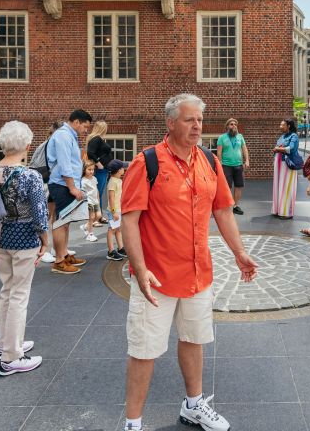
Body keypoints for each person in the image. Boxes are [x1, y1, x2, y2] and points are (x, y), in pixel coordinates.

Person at [120, 94, 259, 431]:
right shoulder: (147, 162)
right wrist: (139, 269)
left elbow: (223, 210)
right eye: (189, 120)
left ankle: (194, 405)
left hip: (199, 274)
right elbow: (129, 219)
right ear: (171, 123)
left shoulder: (210, 161)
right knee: (144, 350)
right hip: (156, 277)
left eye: (199, 120)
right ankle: (133, 423)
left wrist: (239, 252)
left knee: (195, 339)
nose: (197, 126)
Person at [0, 121, 49, 377]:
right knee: (19, 296)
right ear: (26, 145)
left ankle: (4, 344)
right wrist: (45, 239)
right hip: (24, 238)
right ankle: (12, 357)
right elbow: (39, 213)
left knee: (7, 291)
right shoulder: (29, 175)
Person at [47, 109, 93, 274]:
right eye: (85, 127)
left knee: (65, 221)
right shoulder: (63, 136)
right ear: (76, 122)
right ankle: (59, 261)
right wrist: (72, 187)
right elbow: (64, 163)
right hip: (62, 185)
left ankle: (64, 254)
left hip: (65, 184)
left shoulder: (69, 136)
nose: (86, 130)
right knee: (60, 222)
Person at [31, 120, 64, 263]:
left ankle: (56, 248)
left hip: (50, 181)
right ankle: (41, 250)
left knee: (53, 216)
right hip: (44, 182)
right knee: (44, 216)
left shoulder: (52, 143)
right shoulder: (51, 144)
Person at [216, 117, 250, 214]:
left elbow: (244, 149)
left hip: (238, 165)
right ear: (227, 126)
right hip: (226, 165)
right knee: (227, 186)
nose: (234, 126)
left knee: (238, 186)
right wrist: (220, 164)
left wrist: (246, 160)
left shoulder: (240, 137)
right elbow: (219, 152)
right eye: (231, 124)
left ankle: (235, 206)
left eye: (235, 124)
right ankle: (227, 204)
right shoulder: (222, 137)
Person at [272, 118, 300, 218]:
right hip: (279, 163)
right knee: (279, 187)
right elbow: (278, 147)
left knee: (287, 187)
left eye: (282, 125)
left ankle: (286, 212)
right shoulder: (282, 136)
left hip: (288, 164)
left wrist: (278, 149)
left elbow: (291, 148)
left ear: (288, 126)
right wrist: (278, 149)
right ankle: (278, 210)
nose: (280, 126)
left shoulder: (294, 136)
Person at [86, 120, 115, 214]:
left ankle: (99, 215)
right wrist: (99, 164)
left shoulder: (98, 139)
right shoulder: (97, 139)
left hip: (103, 170)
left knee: (98, 193)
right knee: (97, 193)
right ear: (102, 128)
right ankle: (96, 217)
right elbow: (90, 153)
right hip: (100, 171)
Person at [105, 159, 127, 260]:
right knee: (112, 230)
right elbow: (111, 197)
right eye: (123, 168)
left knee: (118, 229)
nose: (124, 169)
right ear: (118, 170)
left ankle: (121, 248)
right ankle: (110, 251)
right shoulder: (113, 182)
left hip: (119, 210)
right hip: (114, 211)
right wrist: (114, 212)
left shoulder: (118, 180)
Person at [81, 161, 100, 242]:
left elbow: (96, 190)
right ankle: (90, 234)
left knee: (98, 216)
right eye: (89, 169)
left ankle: (85, 226)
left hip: (95, 200)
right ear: (84, 170)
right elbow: (82, 192)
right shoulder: (83, 180)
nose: (91, 171)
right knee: (91, 218)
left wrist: (98, 199)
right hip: (89, 201)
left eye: (93, 169)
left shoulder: (94, 178)